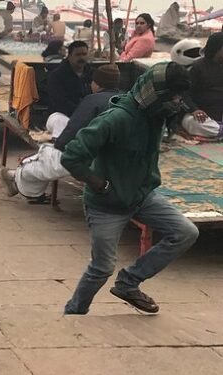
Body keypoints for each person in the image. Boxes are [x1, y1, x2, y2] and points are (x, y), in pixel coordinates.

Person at [60, 62, 199, 315]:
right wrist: (99, 184)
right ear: (155, 94)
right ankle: (74, 312)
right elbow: (71, 156)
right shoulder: (117, 118)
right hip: (106, 204)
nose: (177, 102)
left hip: (141, 196)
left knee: (185, 232)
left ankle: (129, 282)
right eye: (174, 96)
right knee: (102, 268)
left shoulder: (154, 115)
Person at [0, 64, 122, 199]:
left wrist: (58, 144)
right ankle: (13, 177)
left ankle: (14, 177)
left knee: (51, 157)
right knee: (57, 122)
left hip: (97, 156)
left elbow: (73, 130)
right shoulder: (125, 98)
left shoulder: (93, 100)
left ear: (95, 84)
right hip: (114, 153)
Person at [181, 33, 223, 138]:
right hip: (201, 115)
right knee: (197, 124)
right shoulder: (197, 68)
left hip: (220, 113)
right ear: (217, 49)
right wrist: (194, 110)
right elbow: (184, 94)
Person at [47, 40, 93, 123]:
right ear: (69, 56)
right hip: (62, 115)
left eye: (84, 54)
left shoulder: (92, 73)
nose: (81, 58)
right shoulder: (57, 76)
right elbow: (59, 102)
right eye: (78, 55)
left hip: (88, 114)